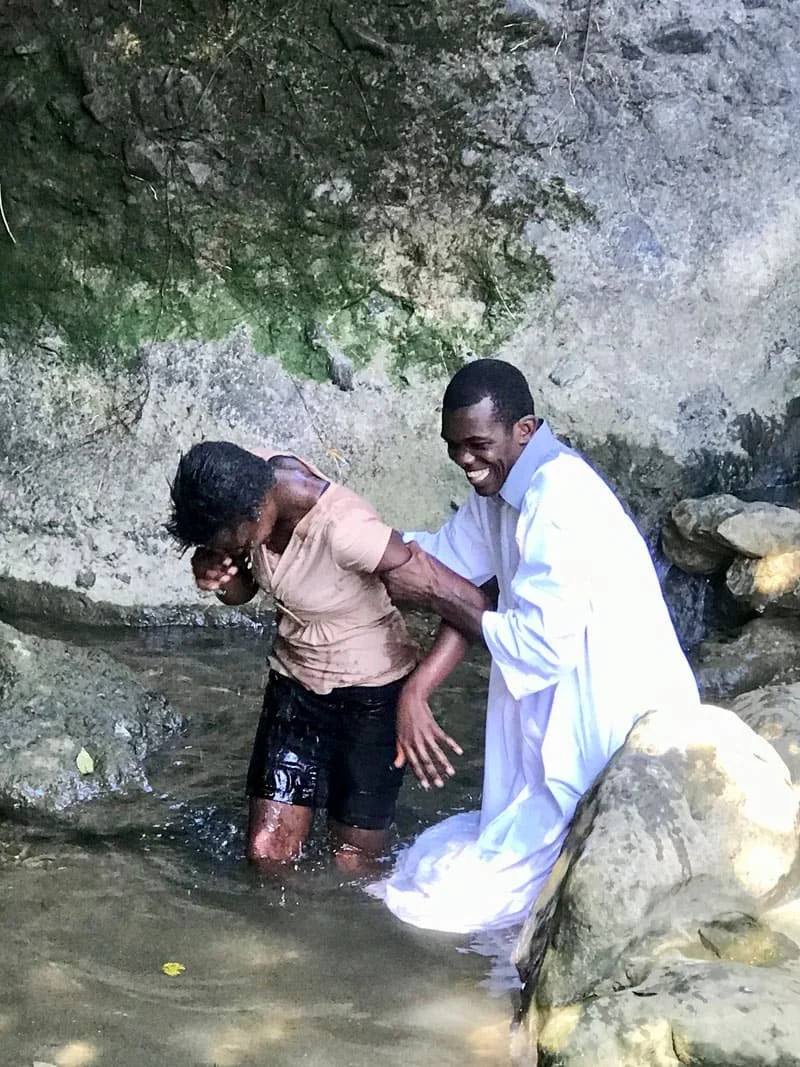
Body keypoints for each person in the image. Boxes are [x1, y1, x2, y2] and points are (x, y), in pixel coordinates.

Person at [370, 358, 700, 932]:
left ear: (523, 430)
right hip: (557, 700)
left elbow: (541, 647)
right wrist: (344, 534)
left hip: (610, 714)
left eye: (476, 444)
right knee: (435, 876)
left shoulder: (561, 497)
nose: (466, 462)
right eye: (454, 448)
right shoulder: (499, 490)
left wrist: (438, 595)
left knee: (456, 900)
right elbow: (444, 558)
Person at [166, 442, 488, 871]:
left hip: (373, 694)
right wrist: (220, 578)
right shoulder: (242, 482)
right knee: (267, 855)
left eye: (229, 541)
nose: (228, 549)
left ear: (256, 511)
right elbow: (244, 585)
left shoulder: (346, 529)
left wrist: (417, 693)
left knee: (353, 864)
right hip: (294, 683)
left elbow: (470, 605)